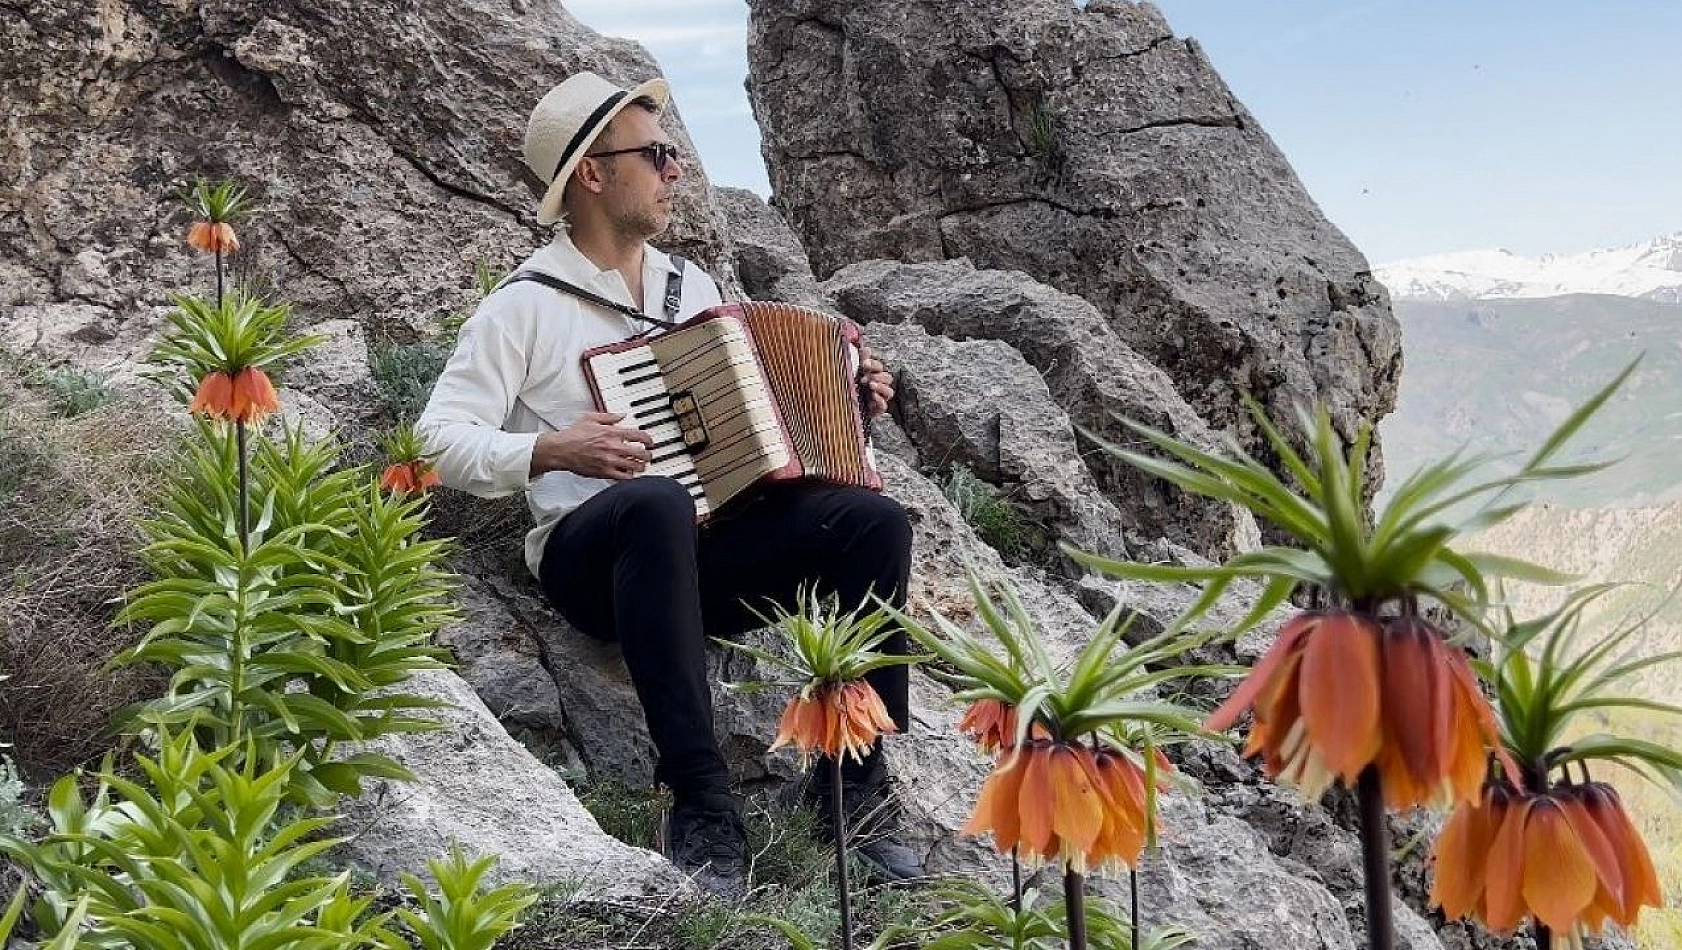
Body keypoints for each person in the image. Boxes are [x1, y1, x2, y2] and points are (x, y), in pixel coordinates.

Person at [416, 72, 923, 896]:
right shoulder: (522, 307)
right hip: (597, 572)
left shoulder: (696, 291)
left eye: (673, 152)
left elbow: (756, 437)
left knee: (874, 523)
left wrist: (847, 400)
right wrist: (551, 450)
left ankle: (852, 787)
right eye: (656, 154)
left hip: (705, 560)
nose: (675, 170)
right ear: (592, 173)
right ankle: (700, 802)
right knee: (653, 500)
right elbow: (437, 440)